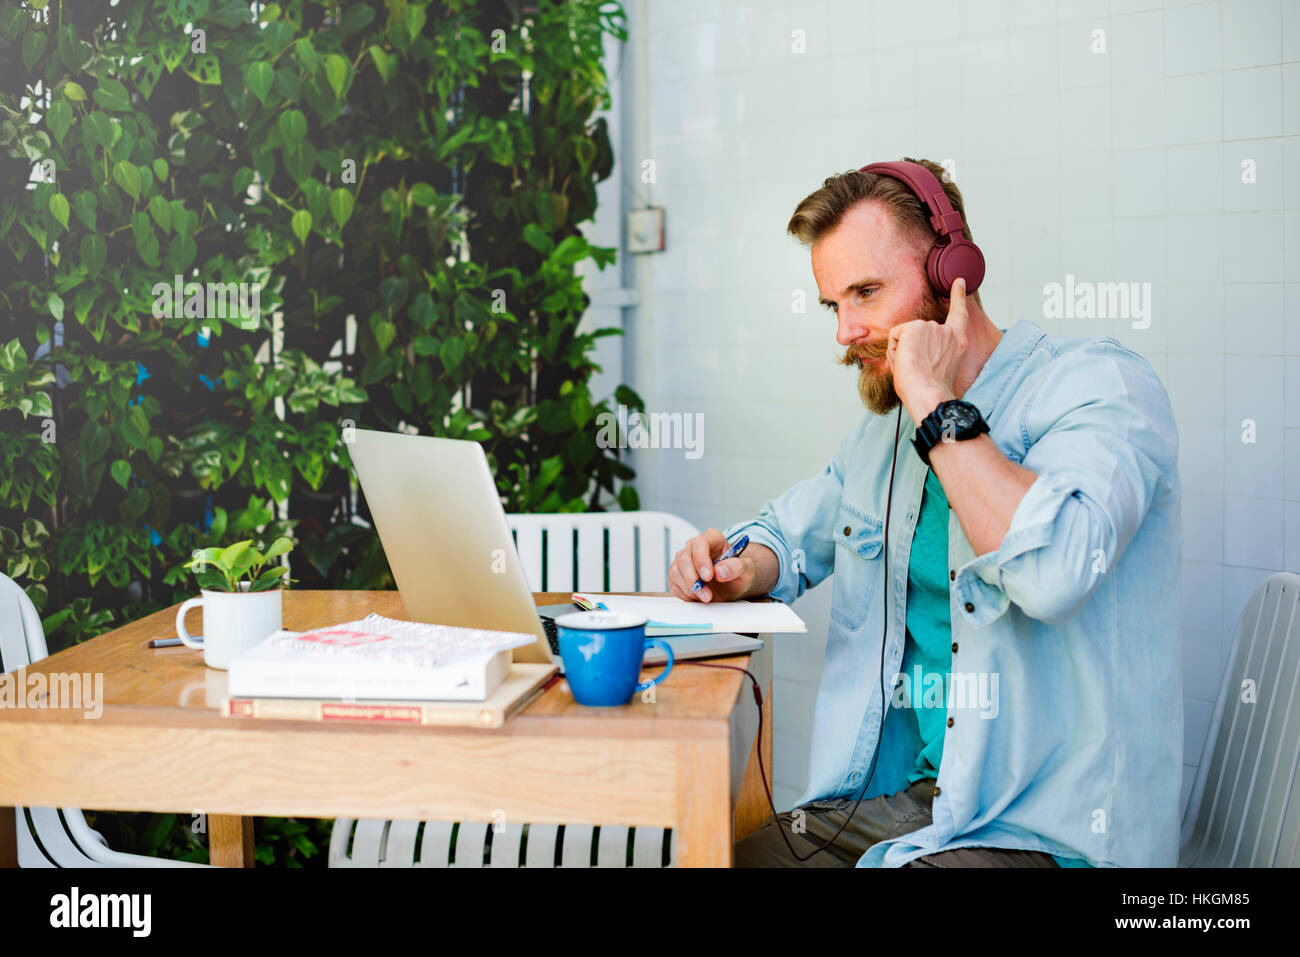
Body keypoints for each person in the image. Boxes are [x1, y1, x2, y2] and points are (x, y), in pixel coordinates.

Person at [667, 158, 1183, 868]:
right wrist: (738, 566)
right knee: (731, 860)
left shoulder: (1101, 387)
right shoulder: (881, 438)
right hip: (922, 803)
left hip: (1048, 830)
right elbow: (789, 534)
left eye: (866, 292)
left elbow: (1054, 573)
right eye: (833, 305)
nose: (846, 330)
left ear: (952, 274)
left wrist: (936, 404)